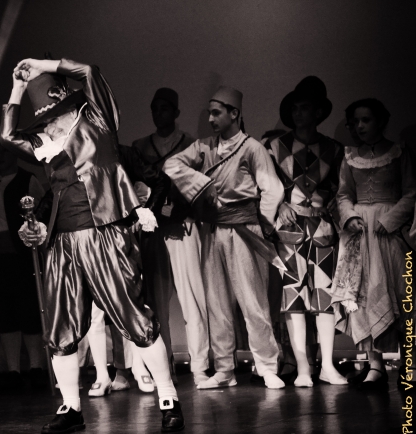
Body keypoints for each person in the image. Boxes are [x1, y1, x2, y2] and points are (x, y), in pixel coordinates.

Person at [2, 58, 184, 433]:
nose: (47, 121)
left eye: (50, 113)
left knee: (134, 316)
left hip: (106, 233)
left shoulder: (97, 118)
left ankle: (168, 397)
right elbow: (7, 137)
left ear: (64, 101)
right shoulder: (43, 141)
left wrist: (41, 64)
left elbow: (89, 71)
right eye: (42, 117)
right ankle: (71, 408)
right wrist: (18, 89)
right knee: (61, 326)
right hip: (63, 242)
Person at [163, 86, 287, 390]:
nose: (210, 119)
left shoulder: (252, 148)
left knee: (253, 301)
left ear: (235, 114)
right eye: (209, 113)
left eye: (217, 112)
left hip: (244, 230)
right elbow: (171, 165)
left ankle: (267, 366)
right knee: (216, 303)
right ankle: (224, 370)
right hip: (213, 230)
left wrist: (263, 225)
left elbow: (272, 189)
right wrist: (201, 185)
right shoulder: (204, 147)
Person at [119, 87, 210, 387]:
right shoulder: (139, 146)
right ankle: (163, 366)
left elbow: (197, 186)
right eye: (155, 109)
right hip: (153, 230)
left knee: (192, 299)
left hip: (182, 227)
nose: (159, 114)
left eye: (165, 108)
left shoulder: (190, 144)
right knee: (155, 303)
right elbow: (136, 187)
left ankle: (200, 366)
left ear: (176, 112)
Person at [265, 76, 348, 387]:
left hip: (323, 230)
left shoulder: (334, 149)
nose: (299, 113)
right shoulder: (274, 147)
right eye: (295, 108)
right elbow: (265, 187)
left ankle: (327, 365)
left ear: (318, 112)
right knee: (293, 298)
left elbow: (342, 190)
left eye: (305, 108)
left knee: (325, 297)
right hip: (289, 231)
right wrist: (279, 206)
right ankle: (302, 368)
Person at [331, 98, 415, 390]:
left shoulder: (398, 152)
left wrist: (389, 219)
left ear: (380, 121)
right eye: (355, 121)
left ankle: (409, 365)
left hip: (389, 233)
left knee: (401, 293)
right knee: (363, 295)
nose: (360, 126)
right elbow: (343, 193)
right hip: (360, 234)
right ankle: (375, 366)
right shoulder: (350, 156)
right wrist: (350, 216)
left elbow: (411, 192)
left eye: (366, 120)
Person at [0, 130, 50, 391]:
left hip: (22, 256)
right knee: (6, 313)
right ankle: (13, 369)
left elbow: (42, 214)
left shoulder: (28, 179)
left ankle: (35, 366)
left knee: (29, 310)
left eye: (4, 151)